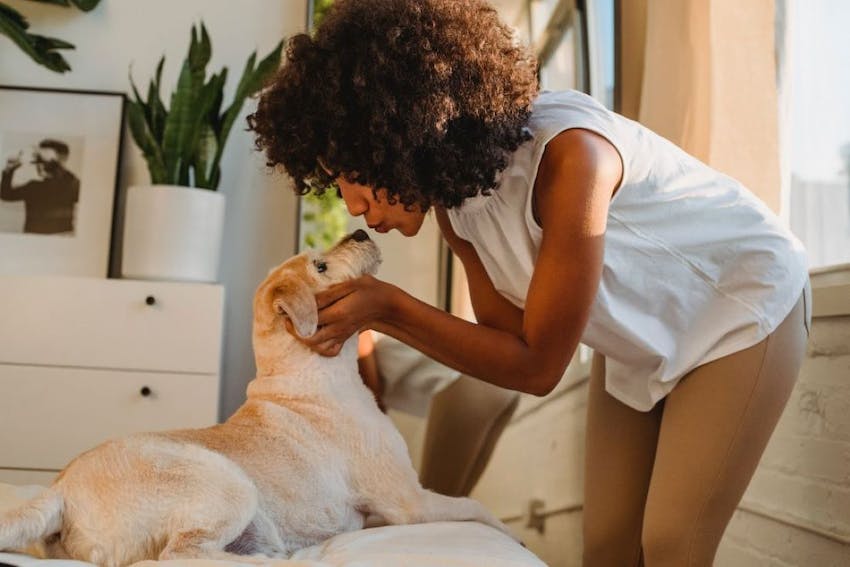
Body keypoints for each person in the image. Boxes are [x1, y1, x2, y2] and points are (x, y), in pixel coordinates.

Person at [247, 0, 811, 565]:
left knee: (671, 547)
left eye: (356, 175)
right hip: (641, 343)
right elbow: (507, 352)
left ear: (405, 135)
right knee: (609, 550)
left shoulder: (572, 159)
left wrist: (387, 309)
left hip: (741, 307)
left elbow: (540, 368)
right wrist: (379, 313)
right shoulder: (456, 210)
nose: (352, 204)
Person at [1, 139, 80, 234]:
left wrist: (54, 165)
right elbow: (5, 195)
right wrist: (9, 171)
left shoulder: (72, 184)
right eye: (39, 162)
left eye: (46, 162)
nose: (40, 166)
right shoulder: (33, 187)